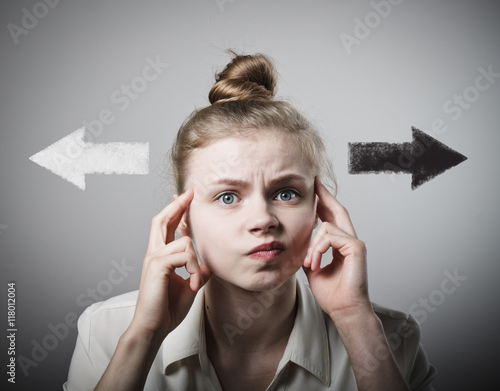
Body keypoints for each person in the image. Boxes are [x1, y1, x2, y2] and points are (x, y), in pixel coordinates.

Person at [63, 52, 436, 391]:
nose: (263, 220)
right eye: (228, 197)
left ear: (320, 208)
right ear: (183, 219)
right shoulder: (107, 331)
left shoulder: (391, 338)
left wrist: (355, 321)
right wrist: (143, 336)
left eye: (286, 193)